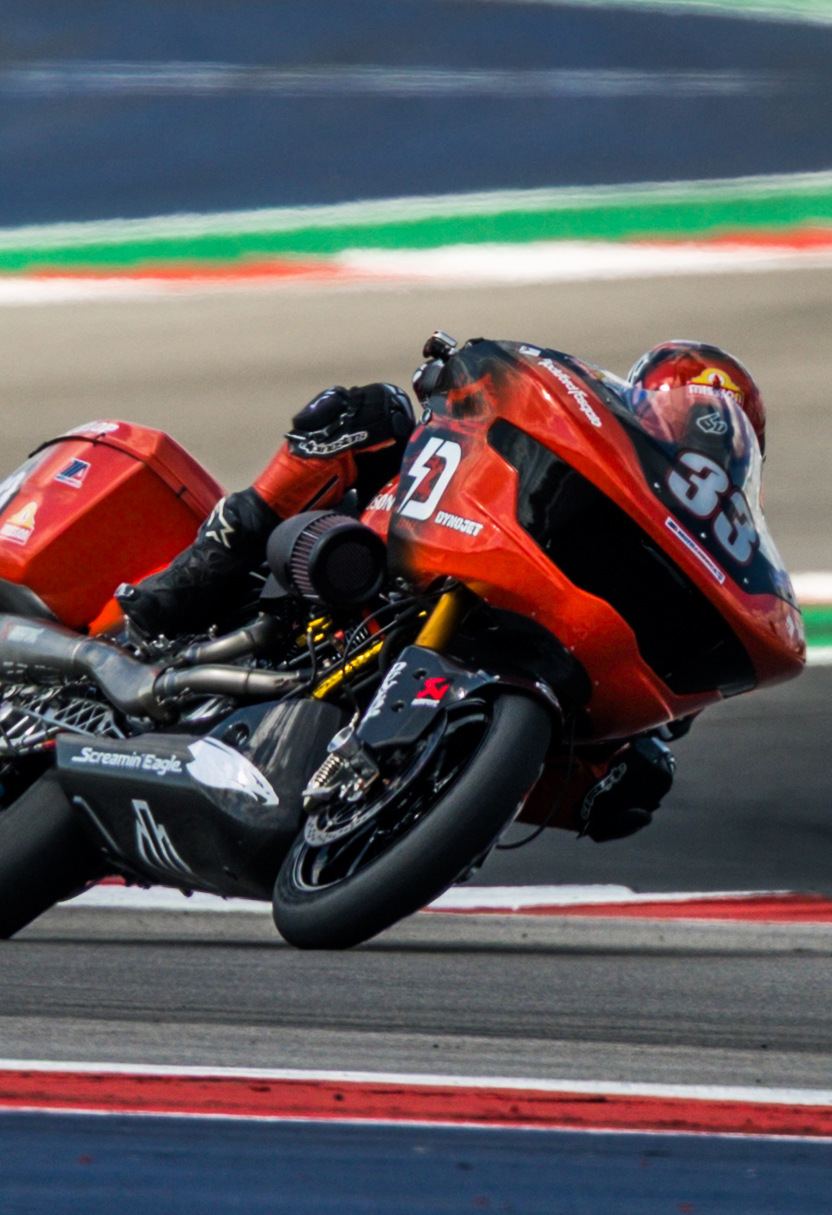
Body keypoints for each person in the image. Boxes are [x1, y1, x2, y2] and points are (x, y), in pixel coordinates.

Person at [113, 340, 766, 842]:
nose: (699, 444)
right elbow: (484, 394)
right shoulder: (595, 425)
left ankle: (422, 796)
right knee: (367, 413)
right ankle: (185, 586)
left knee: (640, 775)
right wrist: (458, 379)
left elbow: (665, 721)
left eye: (719, 436)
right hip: (419, 543)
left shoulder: (710, 560)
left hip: (539, 656)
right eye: (689, 419)